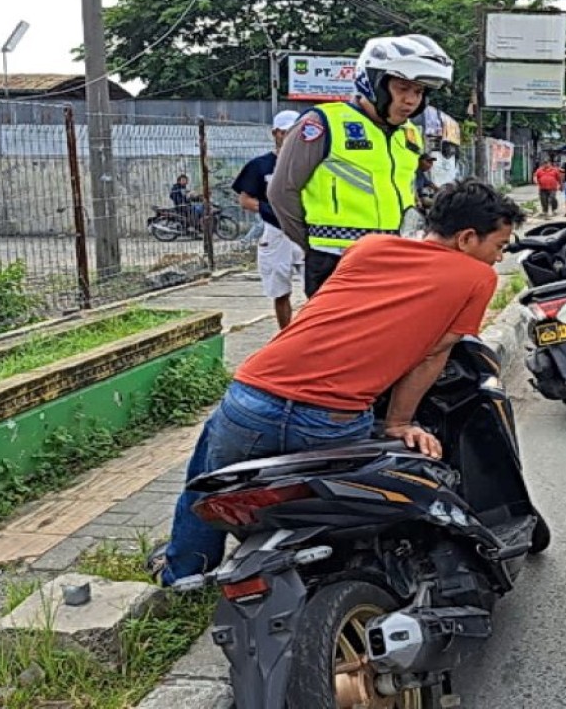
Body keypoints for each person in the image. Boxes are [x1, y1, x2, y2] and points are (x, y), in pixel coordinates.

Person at [147, 179, 523, 587]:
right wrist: (399, 422)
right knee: (364, 507)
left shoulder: (369, 247)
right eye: (498, 247)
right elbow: (433, 355)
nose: (498, 258)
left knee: (205, 488)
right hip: (330, 420)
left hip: (252, 398)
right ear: (468, 238)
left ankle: (181, 577)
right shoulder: (476, 277)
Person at [269, 34, 453, 297]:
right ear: (374, 83)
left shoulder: (409, 134)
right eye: (402, 88)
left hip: (393, 258)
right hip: (337, 261)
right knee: (337, 338)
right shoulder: (322, 123)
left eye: (419, 91)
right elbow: (282, 192)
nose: (411, 101)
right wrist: (312, 245)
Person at [232, 110, 304, 329]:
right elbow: (245, 200)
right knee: (280, 290)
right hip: (276, 233)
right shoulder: (260, 166)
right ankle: (286, 335)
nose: (292, 136)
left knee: (318, 287)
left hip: (307, 232)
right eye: (286, 132)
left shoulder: (312, 163)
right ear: (276, 133)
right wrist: (270, 211)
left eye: (297, 132)